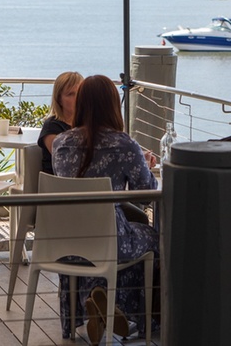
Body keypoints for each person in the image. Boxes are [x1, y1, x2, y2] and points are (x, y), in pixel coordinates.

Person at [52, 75, 159, 343]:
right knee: (152, 239)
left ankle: (98, 302)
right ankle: (139, 318)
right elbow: (146, 190)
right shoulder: (124, 145)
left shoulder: (61, 144)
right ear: (113, 105)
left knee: (110, 239)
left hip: (64, 244)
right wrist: (142, 163)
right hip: (109, 243)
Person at [38, 71, 83, 173]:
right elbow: (65, 161)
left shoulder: (86, 123)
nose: (77, 98)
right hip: (57, 183)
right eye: (71, 94)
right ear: (59, 99)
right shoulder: (52, 127)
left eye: (80, 93)